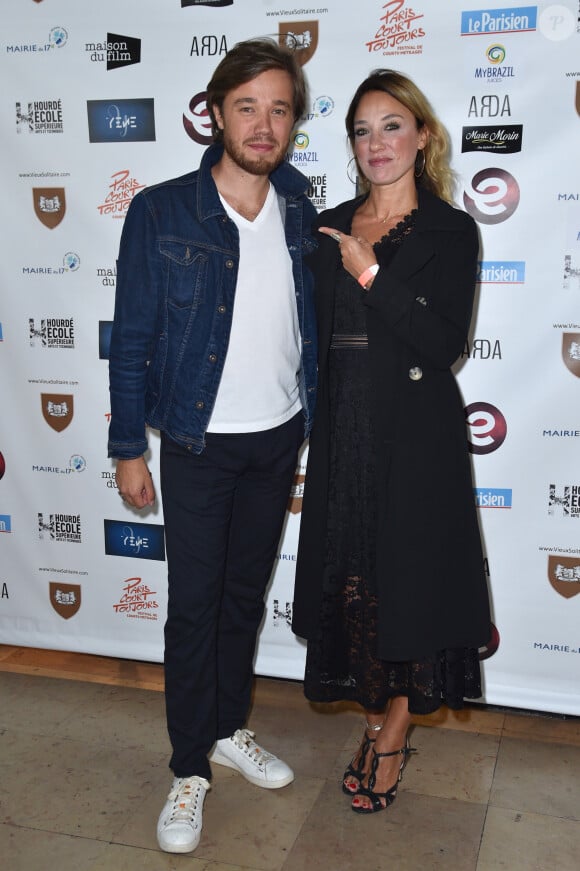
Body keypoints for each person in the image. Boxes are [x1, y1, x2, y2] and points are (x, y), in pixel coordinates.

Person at [107, 38, 317, 854]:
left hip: (277, 438)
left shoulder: (302, 206)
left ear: (292, 121)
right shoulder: (161, 210)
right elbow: (130, 339)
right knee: (193, 609)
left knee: (241, 598)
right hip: (197, 444)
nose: (264, 125)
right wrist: (129, 445)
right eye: (247, 107)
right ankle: (190, 766)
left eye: (279, 109)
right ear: (215, 112)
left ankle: (230, 726)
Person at [292, 69, 492, 815]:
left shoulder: (450, 230)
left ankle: (394, 732)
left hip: (415, 439)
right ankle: (376, 717)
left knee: (410, 586)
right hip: (343, 435)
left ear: (423, 136)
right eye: (362, 130)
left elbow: (444, 343)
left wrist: (371, 273)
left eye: (392, 125)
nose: (377, 143)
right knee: (357, 584)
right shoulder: (327, 226)